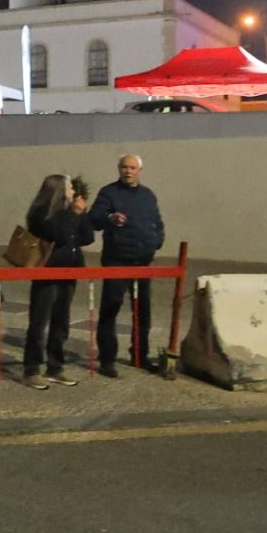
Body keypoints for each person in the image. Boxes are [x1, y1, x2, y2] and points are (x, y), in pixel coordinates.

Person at [89, 154, 166, 376]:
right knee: (110, 309)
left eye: (132, 167)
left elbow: (158, 223)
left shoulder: (148, 196)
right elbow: (94, 219)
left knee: (142, 312)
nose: (128, 171)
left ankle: (140, 356)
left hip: (142, 262)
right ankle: (107, 359)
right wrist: (110, 218)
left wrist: (156, 242)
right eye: (124, 167)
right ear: (119, 169)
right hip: (117, 260)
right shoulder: (108, 193)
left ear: (140, 170)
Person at [21, 174, 93, 389]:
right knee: (39, 321)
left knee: (61, 322)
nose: (73, 192)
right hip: (48, 272)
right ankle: (31, 368)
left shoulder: (70, 212)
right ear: (59, 191)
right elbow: (58, 235)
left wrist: (81, 214)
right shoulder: (42, 214)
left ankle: (55, 366)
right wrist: (73, 214)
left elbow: (87, 237)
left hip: (69, 271)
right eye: (70, 188)